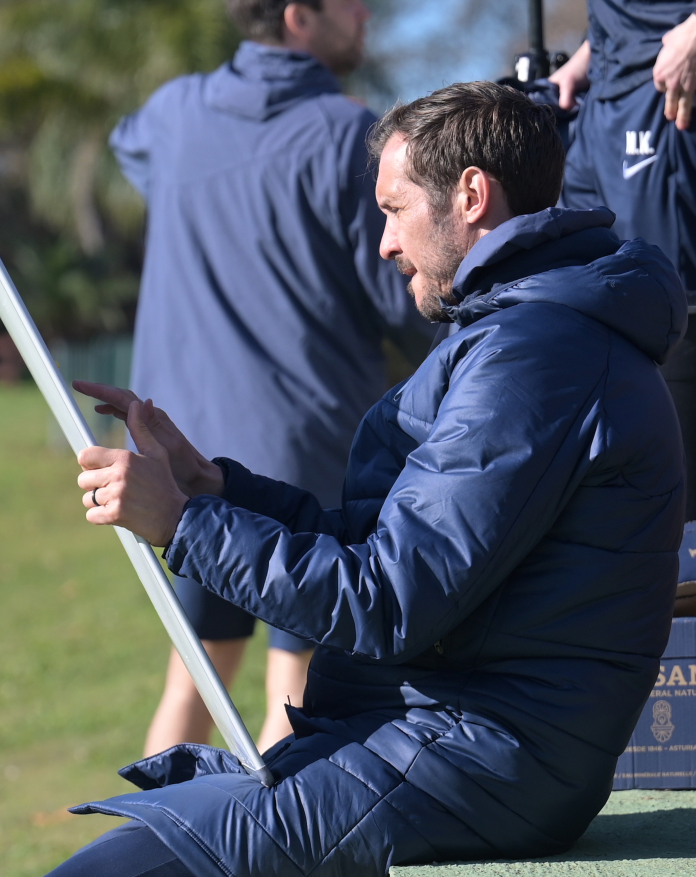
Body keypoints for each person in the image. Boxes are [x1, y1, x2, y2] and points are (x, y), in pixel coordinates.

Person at [47, 82, 688, 877]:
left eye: (394, 208)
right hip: (451, 731)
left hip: (481, 753)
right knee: (151, 832)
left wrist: (183, 525)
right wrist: (214, 487)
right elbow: (389, 541)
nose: (384, 242)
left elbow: (388, 599)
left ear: (472, 196)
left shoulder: (536, 354)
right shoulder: (521, 335)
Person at [108, 0, 432, 756]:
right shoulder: (348, 136)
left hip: (180, 450)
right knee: (296, 691)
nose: (367, 16)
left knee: (192, 678)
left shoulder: (173, 114)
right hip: (305, 457)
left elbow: (134, 152)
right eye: (352, 4)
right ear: (298, 16)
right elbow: (405, 300)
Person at [551, 0, 696, 291]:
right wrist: (593, 48)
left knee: (677, 312)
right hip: (608, 78)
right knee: (583, 304)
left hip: (685, 79)